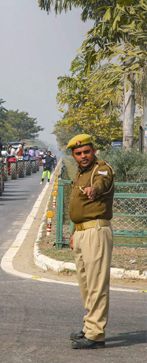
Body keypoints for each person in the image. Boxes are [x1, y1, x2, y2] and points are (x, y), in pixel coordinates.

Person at [67, 134, 115, 350]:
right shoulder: (81, 172)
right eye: (78, 153)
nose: (83, 156)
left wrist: (94, 190)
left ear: (93, 151)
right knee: (86, 284)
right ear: (74, 156)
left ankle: (96, 334)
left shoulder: (101, 169)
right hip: (81, 233)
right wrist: (74, 232)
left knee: (96, 284)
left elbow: (101, 183)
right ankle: (89, 327)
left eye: (86, 151)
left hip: (96, 232)